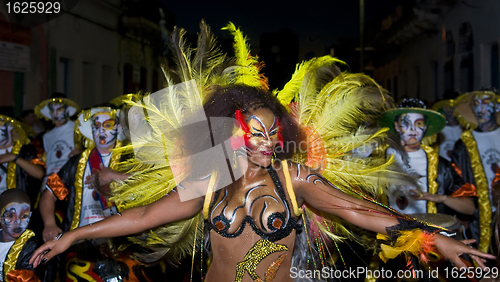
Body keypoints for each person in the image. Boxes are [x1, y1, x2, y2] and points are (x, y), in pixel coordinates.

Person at [30, 86, 495, 281]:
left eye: (274, 133)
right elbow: (145, 216)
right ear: (231, 132)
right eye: (256, 133)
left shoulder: (292, 178)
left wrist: (438, 242)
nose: (267, 141)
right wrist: (74, 234)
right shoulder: (211, 179)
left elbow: (358, 210)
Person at [379, 98, 476, 216]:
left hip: (426, 232)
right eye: (406, 123)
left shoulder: (439, 166)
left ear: (425, 128)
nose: (413, 130)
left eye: (418, 123)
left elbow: (470, 208)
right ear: (397, 126)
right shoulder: (380, 159)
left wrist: (441, 198)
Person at [452, 89, 500, 253]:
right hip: (478, 219)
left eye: (486, 103)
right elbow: (457, 183)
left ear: (497, 107)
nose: (481, 109)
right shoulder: (463, 144)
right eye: (476, 104)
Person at [0, 115, 45, 205]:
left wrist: (15, 157)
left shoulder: (25, 150)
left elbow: (39, 173)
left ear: (10, 127)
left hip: (17, 205)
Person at [34, 96, 80, 181]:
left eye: (59, 109)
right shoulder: (46, 136)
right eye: (52, 110)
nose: (55, 113)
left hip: (69, 178)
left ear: (67, 110)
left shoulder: (77, 129)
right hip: (51, 179)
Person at [0, 189, 42, 281]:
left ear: (30, 216)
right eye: (11, 216)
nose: (18, 222)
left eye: (24, 216)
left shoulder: (31, 249)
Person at [431, 96, 463, 162]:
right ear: (443, 109)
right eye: (449, 108)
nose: (451, 111)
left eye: (454, 107)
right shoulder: (437, 130)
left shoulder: (465, 129)